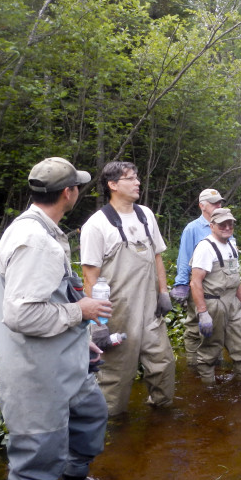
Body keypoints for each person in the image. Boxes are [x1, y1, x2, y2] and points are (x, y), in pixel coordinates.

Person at [0, 157, 113, 480]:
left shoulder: (43, 231)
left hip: (65, 362)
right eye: (77, 185)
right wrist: (83, 311)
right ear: (68, 193)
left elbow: (51, 300)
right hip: (36, 375)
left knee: (91, 416)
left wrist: (82, 339)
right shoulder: (35, 242)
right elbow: (21, 315)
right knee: (38, 456)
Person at [80, 161, 175, 416]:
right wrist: (98, 324)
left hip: (150, 309)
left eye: (137, 178)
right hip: (117, 314)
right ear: (113, 185)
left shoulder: (146, 214)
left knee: (163, 366)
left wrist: (163, 293)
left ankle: (161, 419)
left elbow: (157, 257)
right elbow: (89, 277)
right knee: (116, 378)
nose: (137, 183)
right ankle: (113, 433)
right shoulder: (96, 225)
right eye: (130, 179)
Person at [189, 208, 241, 384]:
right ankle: (209, 391)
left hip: (233, 302)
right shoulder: (205, 247)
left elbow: (235, 278)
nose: (227, 227)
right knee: (210, 350)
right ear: (212, 226)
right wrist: (203, 313)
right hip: (213, 304)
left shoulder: (231, 245)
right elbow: (195, 283)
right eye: (222, 224)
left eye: (230, 224)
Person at [170, 188, 226, 365]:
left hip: (221, 289)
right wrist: (181, 284)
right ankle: (194, 366)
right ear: (202, 206)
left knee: (218, 327)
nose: (219, 205)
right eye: (214, 203)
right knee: (195, 328)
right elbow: (184, 258)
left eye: (220, 202)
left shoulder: (226, 225)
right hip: (200, 287)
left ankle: (215, 362)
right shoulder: (192, 229)